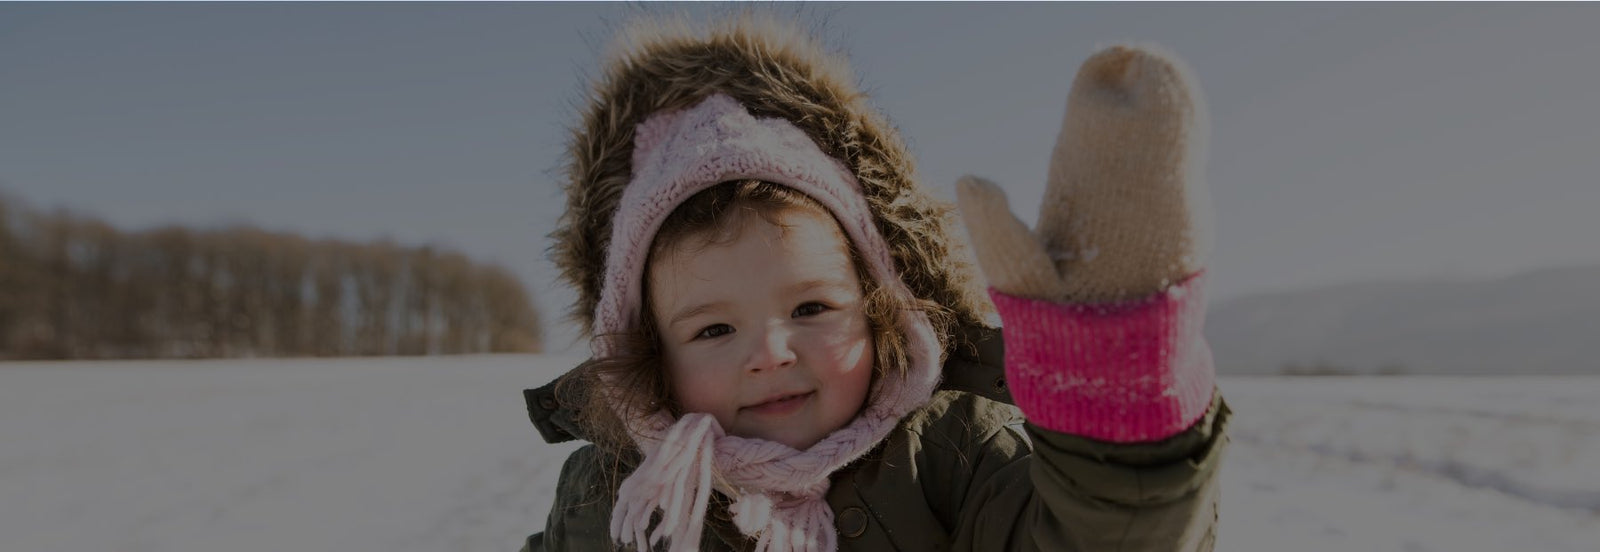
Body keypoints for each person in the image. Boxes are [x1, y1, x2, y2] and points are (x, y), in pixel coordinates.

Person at [523, 13, 1230, 552]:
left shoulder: (954, 454)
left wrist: (1117, 422)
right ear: (649, 355)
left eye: (810, 307)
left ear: (881, 311)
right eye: (714, 329)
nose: (771, 353)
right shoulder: (607, 496)